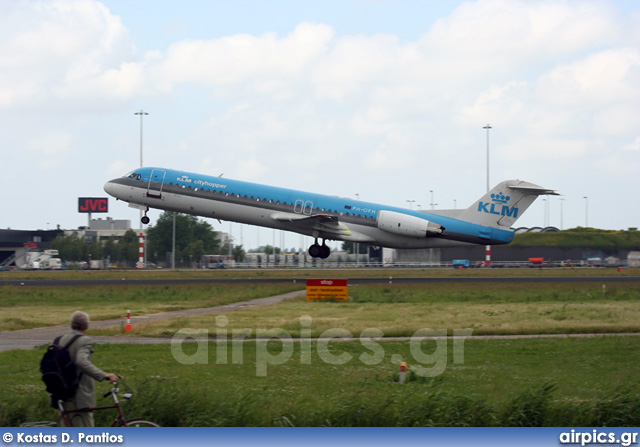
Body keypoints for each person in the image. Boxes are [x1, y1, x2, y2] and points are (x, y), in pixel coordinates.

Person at [56, 311, 118, 427]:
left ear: (72, 324)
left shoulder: (60, 339)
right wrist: (104, 375)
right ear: (87, 326)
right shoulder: (84, 341)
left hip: (62, 391)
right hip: (78, 395)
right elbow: (82, 361)